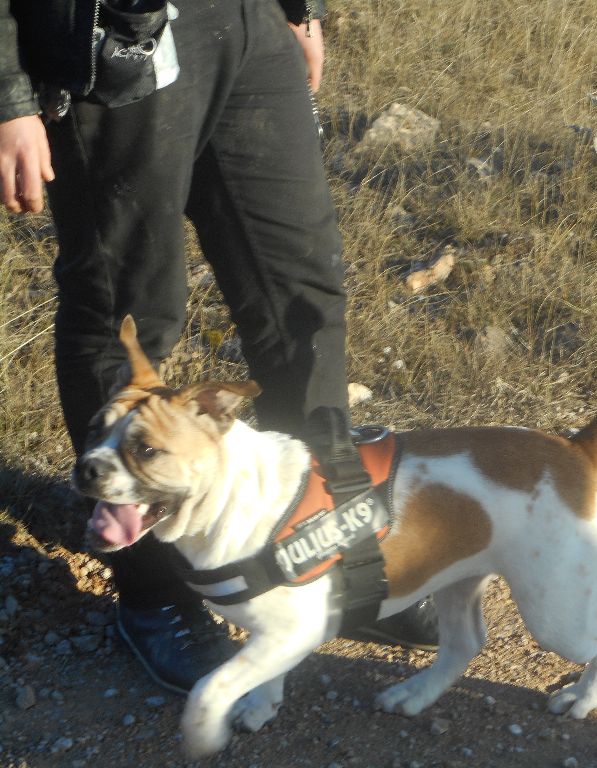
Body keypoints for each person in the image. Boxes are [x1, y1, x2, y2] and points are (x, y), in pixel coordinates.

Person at [0, 0, 437, 695]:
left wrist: (299, 9)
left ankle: (332, 559)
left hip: (249, 23)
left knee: (300, 296)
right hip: (110, 35)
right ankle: (154, 593)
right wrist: (8, 97)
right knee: (127, 316)